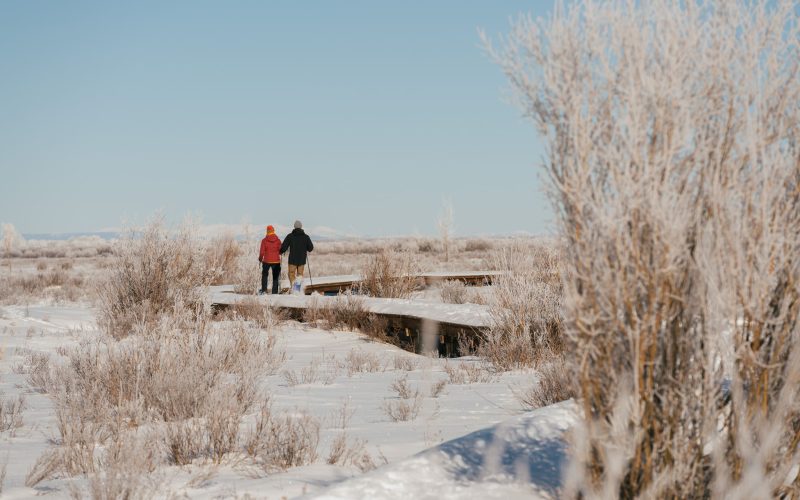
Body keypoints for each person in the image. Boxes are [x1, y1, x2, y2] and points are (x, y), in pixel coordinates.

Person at [280, 220, 313, 288]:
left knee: (291, 274)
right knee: (300, 275)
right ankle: (297, 289)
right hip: (302, 259)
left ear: (294, 227)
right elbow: (311, 248)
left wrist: (280, 251)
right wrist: (305, 247)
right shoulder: (306, 237)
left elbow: (284, 247)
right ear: (301, 227)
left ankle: (294, 288)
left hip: (292, 259)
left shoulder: (290, 236)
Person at [258, 225, 282, 294]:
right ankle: (274, 292)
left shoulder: (264, 240)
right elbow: (280, 250)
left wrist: (260, 259)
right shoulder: (278, 240)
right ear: (273, 231)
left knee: (265, 275)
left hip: (266, 261)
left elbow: (262, 252)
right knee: (275, 277)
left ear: (267, 231)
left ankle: (264, 290)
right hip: (276, 261)